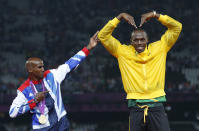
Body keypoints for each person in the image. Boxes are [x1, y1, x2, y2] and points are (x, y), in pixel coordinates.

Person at [98, 11, 182, 131]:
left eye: (142, 39)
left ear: (147, 40)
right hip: (136, 107)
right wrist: (119, 17)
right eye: (136, 40)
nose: (139, 43)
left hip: (157, 105)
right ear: (131, 41)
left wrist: (155, 15)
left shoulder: (160, 48)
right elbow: (103, 36)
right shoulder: (122, 52)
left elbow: (177, 27)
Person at [9, 31, 99, 131]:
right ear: (31, 70)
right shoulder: (24, 90)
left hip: (62, 125)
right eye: (39, 67)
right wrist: (34, 101)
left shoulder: (52, 75)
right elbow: (12, 112)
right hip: (43, 128)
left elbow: (70, 64)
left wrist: (88, 48)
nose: (43, 69)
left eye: (43, 66)